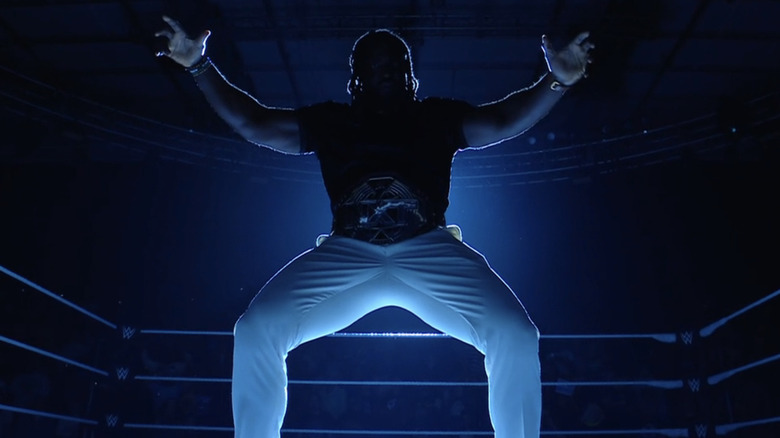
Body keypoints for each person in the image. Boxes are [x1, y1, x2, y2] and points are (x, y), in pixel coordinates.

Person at [156, 15, 593, 438]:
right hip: (349, 252)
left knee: (516, 335)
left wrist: (557, 82)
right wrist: (199, 66)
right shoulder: (332, 122)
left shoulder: (435, 117)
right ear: (358, 77)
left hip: (429, 247)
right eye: (380, 64)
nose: (392, 72)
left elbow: (500, 122)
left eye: (400, 64)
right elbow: (253, 123)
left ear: (412, 73)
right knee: (254, 330)